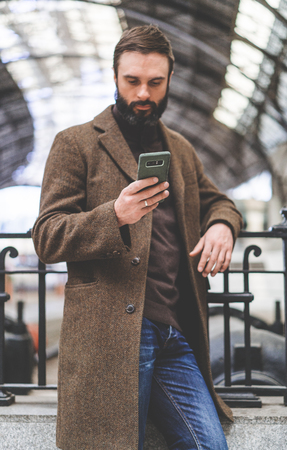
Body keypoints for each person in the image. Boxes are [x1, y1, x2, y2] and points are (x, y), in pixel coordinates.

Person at [32, 25, 243, 450]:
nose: (143, 93)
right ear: (114, 77)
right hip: (109, 336)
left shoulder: (181, 149)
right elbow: (47, 235)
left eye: (154, 82)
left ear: (169, 82)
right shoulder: (76, 144)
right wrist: (115, 215)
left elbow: (219, 202)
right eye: (132, 81)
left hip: (174, 333)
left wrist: (222, 225)